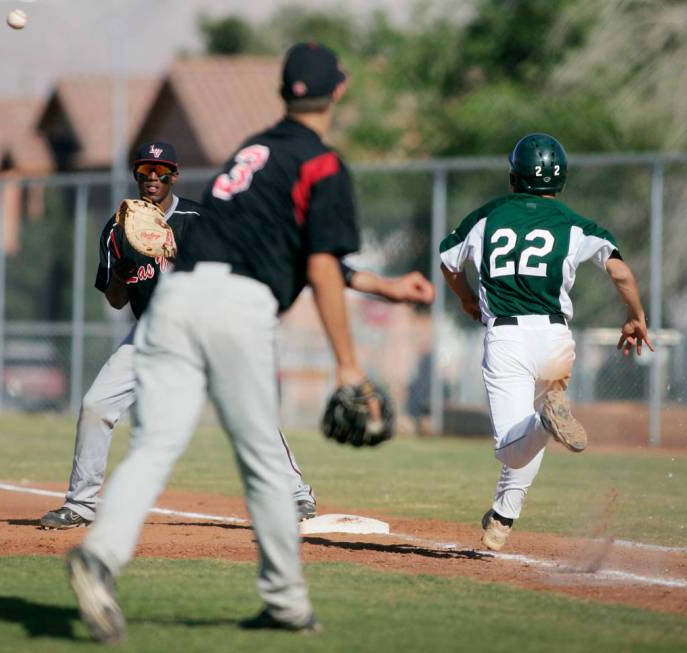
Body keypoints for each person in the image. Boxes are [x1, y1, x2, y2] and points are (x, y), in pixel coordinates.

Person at [66, 42, 431, 642]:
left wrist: (385, 288)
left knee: (155, 445)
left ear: (282, 91)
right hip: (239, 308)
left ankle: (101, 556)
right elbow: (318, 267)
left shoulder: (251, 151)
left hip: (176, 303)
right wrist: (348, 366)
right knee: (263, 459)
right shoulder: (323, 165)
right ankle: (286, 602)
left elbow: (287, 249)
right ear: (338, 92)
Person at [40, 141, 433, 531]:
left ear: (174, 176)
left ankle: (296, 492)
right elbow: (114, 298)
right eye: (144, 171)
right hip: (152, 331)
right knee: (96, 405)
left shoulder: (199, 218)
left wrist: (177, 251)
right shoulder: (118, 227)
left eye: (161, 171)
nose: (153, 178)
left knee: (250, 410)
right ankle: (80, 504)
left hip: (209, 325)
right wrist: (126, 266)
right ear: (136, 175)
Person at [439, 132, 653, 552]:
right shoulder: (575, 223)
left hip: (507, 337)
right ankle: (502, 520)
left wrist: (466, 296)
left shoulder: (488, 215)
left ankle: (546, 420)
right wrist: (635, 316)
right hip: (556, 338)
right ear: (562, 179)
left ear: (513, 177)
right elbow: (621, 273)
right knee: (529, 437)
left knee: (513, 446)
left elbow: (448, 260)